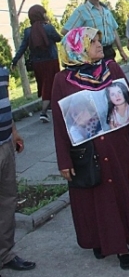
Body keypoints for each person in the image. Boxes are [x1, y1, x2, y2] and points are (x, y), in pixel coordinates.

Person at [52, 27, 129, 270]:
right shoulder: (62, 80)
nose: (100, 46)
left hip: (117, 147)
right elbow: (60, 123)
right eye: (93, 42)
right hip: (87, 152)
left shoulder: (111, 68)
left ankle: (122, 245)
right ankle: (99, 240)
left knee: (118, 194)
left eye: (100, 41)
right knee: (94, 197)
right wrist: (64, 160)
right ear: (77, 48)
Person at [0, 66, 36, 272]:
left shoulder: (2, 71)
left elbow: (5, 104)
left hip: (5, 143)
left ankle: (5, 254)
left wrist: (14, 132)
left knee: (7, 200)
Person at [11, 5, 61, 122]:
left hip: (37, 64)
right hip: (51, 61)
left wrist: (14, 61)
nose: (46, 15)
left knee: (44, 85)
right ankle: (43, 112)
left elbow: (22, 47)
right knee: (51, 86)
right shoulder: (48, 28)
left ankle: (50, 107)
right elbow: (58, 38)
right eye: (44, 13)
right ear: (40, 15)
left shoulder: (28, 31)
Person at [62, 0, 128, 62]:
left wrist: (121, 51)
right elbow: (66, 31)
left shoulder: (105, 10)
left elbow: (114, 30)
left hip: (109, 52)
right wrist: (84, 46)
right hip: (93, 55)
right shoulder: (81, 11)